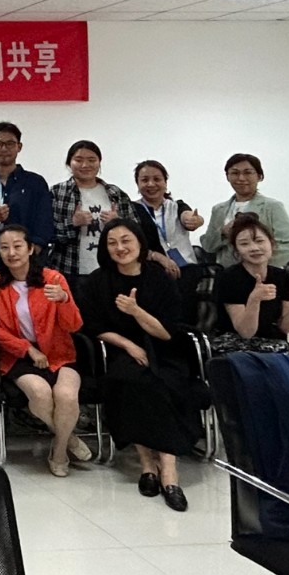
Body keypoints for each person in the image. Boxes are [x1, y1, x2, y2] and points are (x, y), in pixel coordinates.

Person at [79, 219, 201, 512]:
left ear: (140, 243)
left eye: (126, 241)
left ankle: (169, 471)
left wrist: (136, 311)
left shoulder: (158, 278)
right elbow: (94, 327)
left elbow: (168, 332)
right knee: (130, 381)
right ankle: (147, 466)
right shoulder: (98, 281)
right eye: (112, 243)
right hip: (122, 349)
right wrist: (128, 345)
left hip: (164, 349)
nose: (120, 248)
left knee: (163, 383)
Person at [0, 224, 92, 477]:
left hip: (59, 353)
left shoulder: (53, 279)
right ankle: (68, 437)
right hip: (18, 357)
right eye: (4, 247)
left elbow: (74, 325)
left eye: (17, 246)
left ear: (31, 249)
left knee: (66, 396)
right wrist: (27, 349)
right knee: (41, 394)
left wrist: (64, 301)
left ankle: (59, 451)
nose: (11, 253)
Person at [0, 121, 54, 281]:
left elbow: (44, 226)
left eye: (10, 143)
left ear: (19, 147)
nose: (4, 148)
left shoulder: (36, 183)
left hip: (29, 266)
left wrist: (27, 257)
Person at [213, 213, 289, 354]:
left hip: (273, 345)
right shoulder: (229, 277)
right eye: (244, 244)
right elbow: (246, 332)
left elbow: (285, 327)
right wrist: (254, 300)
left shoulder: (282, 276)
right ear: (237, 250)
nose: (254, 248)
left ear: (271, 244)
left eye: (260, 241)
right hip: (235, 346)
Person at [49, 140, 134, 298]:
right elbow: (48, 234)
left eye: (91, 160)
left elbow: (136, 232)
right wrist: (73, 223)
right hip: (70, 270)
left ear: (99, 163)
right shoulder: (57, 192)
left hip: (111, 269)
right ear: (69, 163)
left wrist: (118, 222)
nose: (85, 165)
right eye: (78, 160)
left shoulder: (115, 193)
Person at [129, 160, 204, 322]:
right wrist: (160, 258)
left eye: (157, 179)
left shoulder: (177, 206)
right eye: (145, 180)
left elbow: (188, 217)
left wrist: (195, 220)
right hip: (150, 268)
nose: (151, 184)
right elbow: (131, 245)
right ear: (138, 184)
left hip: (186, 267)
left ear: (165, 182)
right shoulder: (131, 210)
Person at [200, 153, 289, 267]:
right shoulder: (218, 210)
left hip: (263, 274)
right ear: (227, 177)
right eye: (235, 173)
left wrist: (258, 264)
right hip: (227, 274)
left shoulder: (272, 207)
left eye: (248, 172)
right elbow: (208, 247)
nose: (241, 178)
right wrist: (223, 233)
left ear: (259, 176)